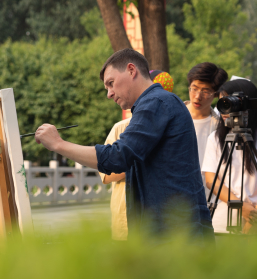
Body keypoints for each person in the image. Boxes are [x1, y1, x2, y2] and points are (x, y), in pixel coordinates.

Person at [35, 48, 214, 243]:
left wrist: (59, 144)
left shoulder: (156, 102)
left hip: (175, 235)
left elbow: (117, 157)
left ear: (131, 70)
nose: (109, 94)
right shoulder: (157, 102)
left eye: (111, 84)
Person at [100, 71, 174, 241]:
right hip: (125, 218)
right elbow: (106, 175)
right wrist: (141, 161)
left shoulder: (173, 126)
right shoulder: (121, 128)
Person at [202, 79, 257, 233]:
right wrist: (240, 206)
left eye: (230, 104)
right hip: (223, 219)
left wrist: (253, 217)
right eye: (223, 104)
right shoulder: (215, 138)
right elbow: (211, 180)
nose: (224, 111)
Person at [184, 62, 228, 198]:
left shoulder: (220, 127)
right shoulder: (173, 117)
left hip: (207, 199)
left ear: (216, 95)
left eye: (206, 91)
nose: (198, 96)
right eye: (194, 88)